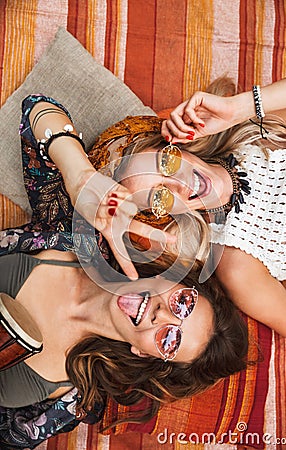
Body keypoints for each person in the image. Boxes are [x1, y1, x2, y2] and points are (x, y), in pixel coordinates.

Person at [0, 95, 248, 448]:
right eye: (182, 303)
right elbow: (36, 110)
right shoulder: (80, 244)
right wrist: (80, 176)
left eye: (170, 339)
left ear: (145, 353)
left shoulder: (75, 398)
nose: (163, 315)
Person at [88, 73, 286, 345]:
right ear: (162, 218)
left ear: (179, 145)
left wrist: (239, 108)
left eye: (168, 164)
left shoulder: (250, 129)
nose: (179, 184)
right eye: (160, 198)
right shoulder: (237, 265)